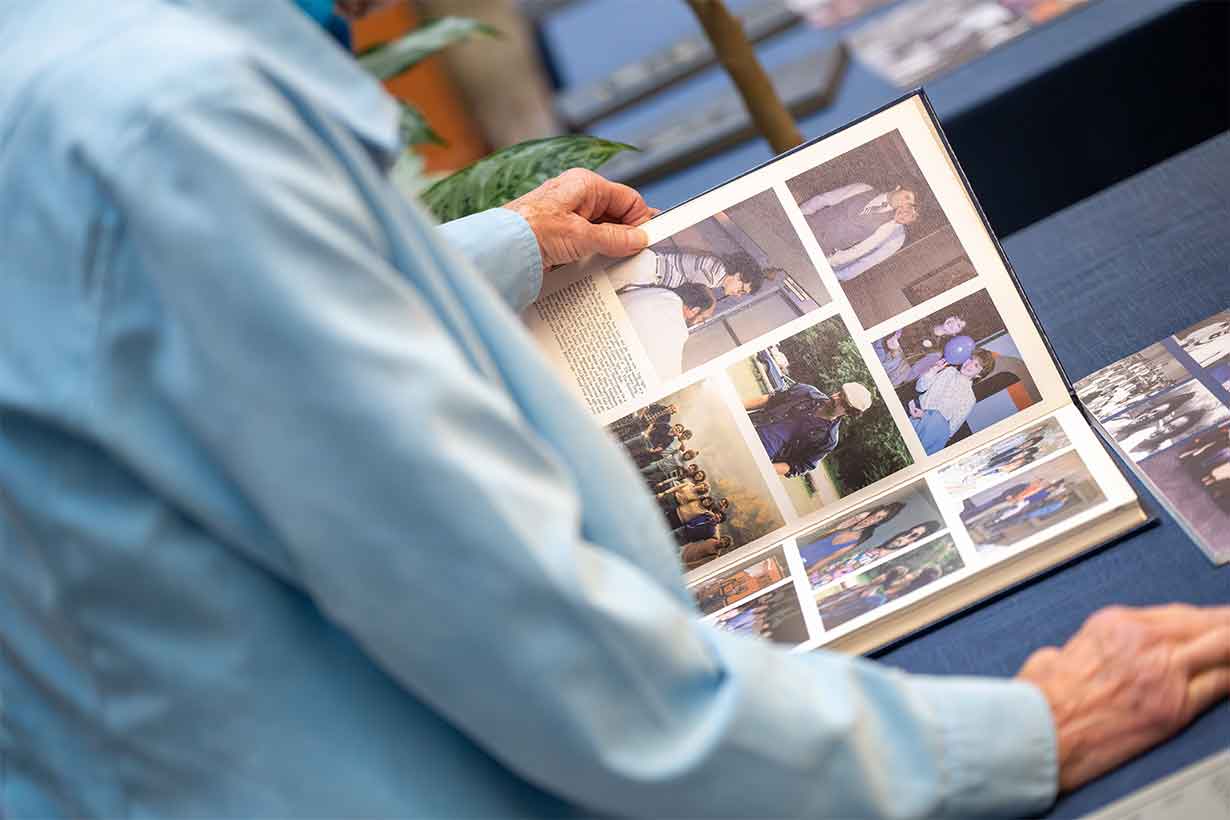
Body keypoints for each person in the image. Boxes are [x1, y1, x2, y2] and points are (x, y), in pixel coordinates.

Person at [3, 2, 1227, 818]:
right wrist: (1022, 735)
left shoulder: (78, 68)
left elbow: (199, 317)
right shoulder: (174, 124)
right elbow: (538, 650)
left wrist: (492, 249)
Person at [745, 381, 874, 477]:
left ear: (849, 412)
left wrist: (764, 469)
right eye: (840, 393)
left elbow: (799, 466)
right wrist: (736, 407)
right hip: (749, 425)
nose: (835, 398)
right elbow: (769, 399)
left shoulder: (828, 440)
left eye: (842, 401)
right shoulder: (806, 392)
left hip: (760, 456)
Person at [797, 182, 920, 280]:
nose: (904, 203)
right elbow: (825, 199)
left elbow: (858, 251)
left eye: (909, 204)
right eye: (906, 197)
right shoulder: (863, 188)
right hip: (805, 224)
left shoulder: (888, 227)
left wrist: (826, 262)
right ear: (898, 187)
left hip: (818, 250)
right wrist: (799, 214)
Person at [617, 282, 715, 378]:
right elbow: (669, 376)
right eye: (702, 318)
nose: (700, 322)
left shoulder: (657, 292)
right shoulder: (678, 327)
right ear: (695, 310)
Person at [607, 246, 773, 302]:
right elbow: (694, 290)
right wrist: (711, 303)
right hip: (646, 270)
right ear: (738, 275)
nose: (738, 294)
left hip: (649, 271)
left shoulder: (718, 276)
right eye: (742, 289)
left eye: (742, 294)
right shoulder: (716, 273)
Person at [908, 349, 997, 454]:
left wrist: (925, 417)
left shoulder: (969, 399)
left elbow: (950, 431)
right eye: (970, 359)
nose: (969, 364)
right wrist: (933, 370)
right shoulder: (949, 371)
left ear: (979, 374)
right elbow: (920, 388)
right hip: (912, 416)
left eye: (976, 365)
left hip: (927, 433)